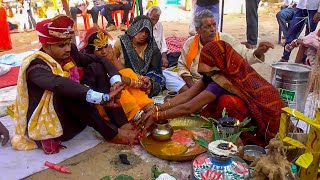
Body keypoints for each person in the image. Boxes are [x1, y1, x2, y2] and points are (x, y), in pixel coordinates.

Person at [11, 15, 138, 154]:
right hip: (58, 128)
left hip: (80, 119)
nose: (67, 48)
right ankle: (112, 133)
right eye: (61, 45)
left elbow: (101, 60)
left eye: (67, 43)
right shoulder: (36, 66)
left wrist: (115, 81)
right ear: (46, 46)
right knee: (67, 90)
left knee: (96, 67)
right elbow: (59, 84)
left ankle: (121, 122)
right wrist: (102, 97)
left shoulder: (70, 52)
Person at [141, 41, 285, 146]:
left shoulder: (225, 80)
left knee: (226, 102)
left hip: (268, 119)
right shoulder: (215, 73)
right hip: (253, 108)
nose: (205, 65)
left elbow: (189, 107)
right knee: (210, 111)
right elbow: (187, 95)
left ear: (218, 61)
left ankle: (242, 137)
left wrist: (158, 116)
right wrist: (158, 108)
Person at [163, 10, 273, 93]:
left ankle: (191, 96)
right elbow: (182, 67)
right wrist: (192, 86)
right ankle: (191, 95)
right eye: (207, 26)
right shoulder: (190, 42)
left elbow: (245, 55)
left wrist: (259, 51)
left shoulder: (225, 39)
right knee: (165, 74)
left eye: (214, 25)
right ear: (198, 30)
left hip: (216, 84)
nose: (212, 29)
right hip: (193, 82)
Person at [78, 26, 155, 123]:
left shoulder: (107, 54)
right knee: (118, 85)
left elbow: (123, 71)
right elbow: (116, 78)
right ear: (91, 51)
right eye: (99, 49)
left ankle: (147, 106)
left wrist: (140, 78)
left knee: (127, 72)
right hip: (105, 102)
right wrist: (138, 83)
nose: (104, 51)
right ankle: (136, 116)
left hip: (117, 95)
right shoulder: (92, 65)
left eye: (105, 46)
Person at [113, 15, 165, 97]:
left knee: (159, 83)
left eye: (147, 32)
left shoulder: (152, 47)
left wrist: (149, 81)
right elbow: (112, 61)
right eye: (141, 31)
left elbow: (156, 70)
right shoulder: (122, 42)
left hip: (145, 84)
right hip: (126, 81)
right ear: (134, 29)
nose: (144, 35)